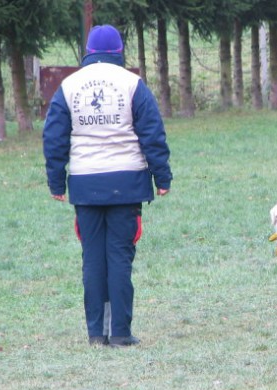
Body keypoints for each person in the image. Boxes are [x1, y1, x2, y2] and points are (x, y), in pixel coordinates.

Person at [43, 24, 172, 347]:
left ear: (88, 51)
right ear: (119, 52)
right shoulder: (133, 84)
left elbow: (54, 137)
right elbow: (152, 134)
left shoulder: (68, 86)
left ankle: (96, 333)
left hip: (86, 185)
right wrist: (162, 176)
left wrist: (57, 181)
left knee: (92, 259)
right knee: (119, 257)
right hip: (126, 182)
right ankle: (121, 333)